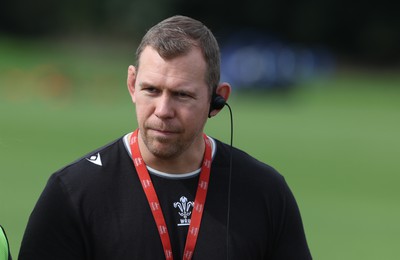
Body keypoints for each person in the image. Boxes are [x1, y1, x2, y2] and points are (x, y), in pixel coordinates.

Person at [18, 15, 312, 259]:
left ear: (217, 100)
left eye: (182, 95)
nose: (163, 110)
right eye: (151, 90)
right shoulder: (72, 193)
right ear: (132, 84)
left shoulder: (265, 192)